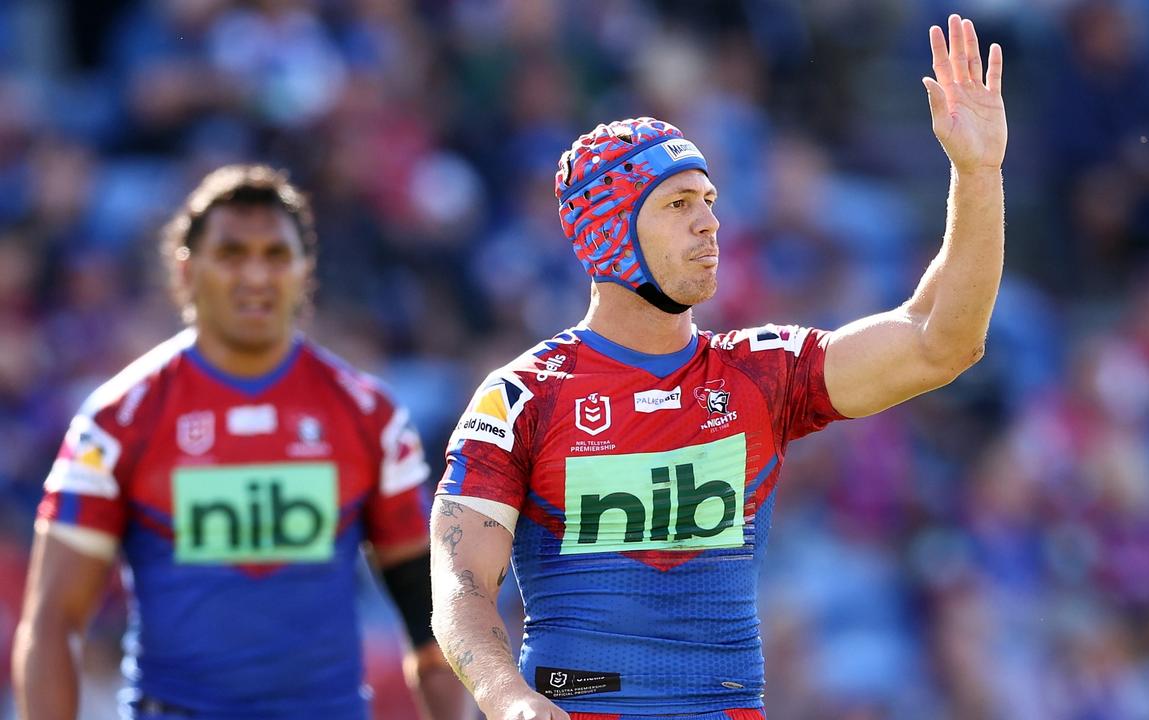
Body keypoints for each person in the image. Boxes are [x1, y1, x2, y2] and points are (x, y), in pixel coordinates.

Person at [431, 14, 1006, 720]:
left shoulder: (758, 375)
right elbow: (459, 588)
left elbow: (939, 340)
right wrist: (508, 698)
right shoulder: (522, 399)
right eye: (678, 205)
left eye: (709, 201)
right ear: (608, 231)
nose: (710, 223)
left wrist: (977, 173)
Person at [12, 164, 470, 720]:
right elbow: (54, 621)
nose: (256, 275)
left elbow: (431, 630)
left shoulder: (368, 416)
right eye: (231, 254)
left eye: (276, 255)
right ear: (185, 272)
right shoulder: (117, 420)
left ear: (306, 272)